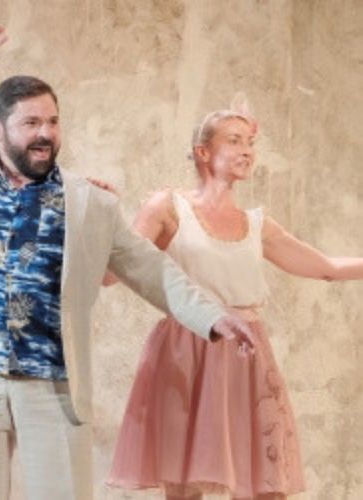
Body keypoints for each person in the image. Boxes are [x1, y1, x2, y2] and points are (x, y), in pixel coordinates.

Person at [0, 24, 255, 500]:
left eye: (52, 121)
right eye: (31, 123)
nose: (45, 133)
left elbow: (149, 267)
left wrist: (213, 317)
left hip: (52, 385)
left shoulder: (88, 203)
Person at [107, 109, 363, 499]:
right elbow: (116, 271)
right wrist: (105, 217)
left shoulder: (257, 224)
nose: (247, 151)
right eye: (234, 140)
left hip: (246, 352)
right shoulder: (168, 207)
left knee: (263, 481)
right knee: (184, 483)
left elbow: (326, 268)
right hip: (185, 349)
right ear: (203, 152)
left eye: (250, 142)